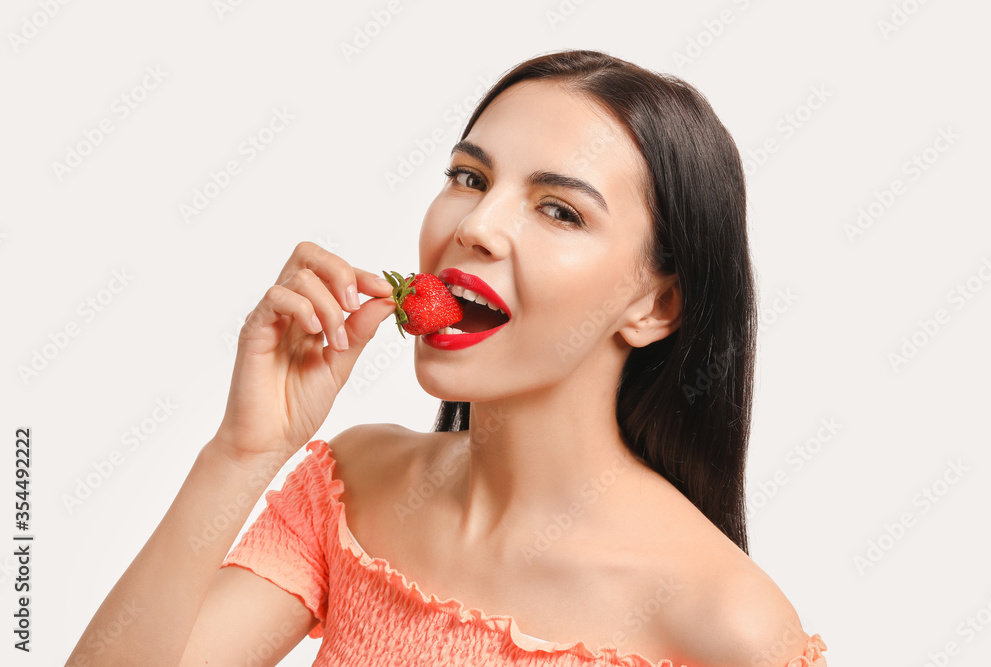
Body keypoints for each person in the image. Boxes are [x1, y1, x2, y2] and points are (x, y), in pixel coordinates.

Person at [68, 49, 828, 666]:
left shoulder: (731, 625)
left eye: (559, 210)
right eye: (471, 178)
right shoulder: (357, 485)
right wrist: (243, 451)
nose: (477, 225)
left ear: (656, 306)